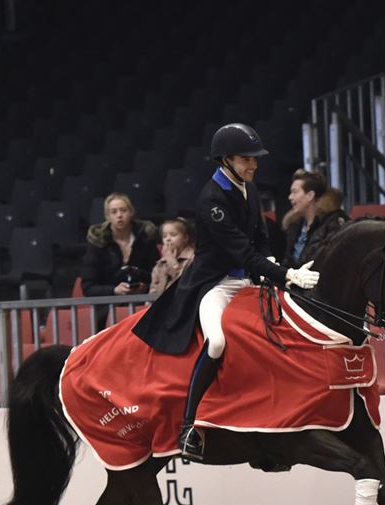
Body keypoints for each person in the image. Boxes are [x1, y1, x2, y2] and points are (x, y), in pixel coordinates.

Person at [132, 123, 319, 460]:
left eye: (255, 159)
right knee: (217, 341)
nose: (254, 165)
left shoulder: (247, 186)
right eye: (247, 159)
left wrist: (274, 261)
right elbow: (241, 252)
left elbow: (259, 237)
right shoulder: (211, 199)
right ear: (226, 159)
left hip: (247, 279)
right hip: (215, 284)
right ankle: (189, 426)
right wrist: (285, 275)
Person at [81, 193, 159, 325]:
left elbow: (156, 273)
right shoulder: (98, 243)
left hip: (143, 305)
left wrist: (144, 286)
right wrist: (114, 290)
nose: (119, 215)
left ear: (131, 212)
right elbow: (88, 287)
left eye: (123, 210)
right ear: (107, 216)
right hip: (108, 309)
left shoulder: (145, 238)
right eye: (114, 212)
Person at [282, 169, 350, 267]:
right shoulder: (294, 226)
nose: (290, 197)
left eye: (294, 192)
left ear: (310, 195)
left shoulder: (333, 225)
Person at [149, 218, 195, 295]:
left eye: (173, 235)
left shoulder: (193, 258)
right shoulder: (160, 264)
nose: (168, 239)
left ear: (185, 238)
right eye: (164, 236)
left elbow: (186, 287)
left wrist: (173, 264)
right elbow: (153, 293)